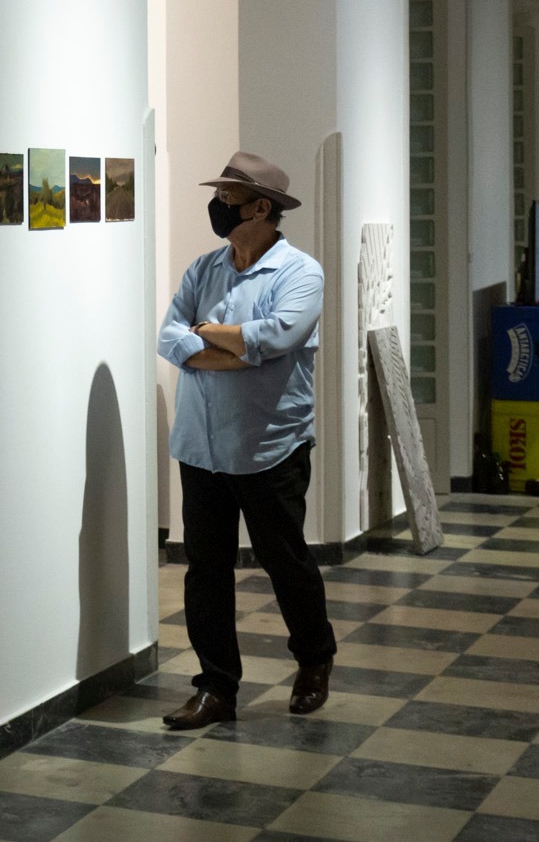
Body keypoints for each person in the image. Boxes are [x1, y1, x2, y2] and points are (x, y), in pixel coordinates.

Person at [156, 150, 335, 730]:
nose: (218, 206)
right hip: (200, 447)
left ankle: (313, 657)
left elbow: (278, 335)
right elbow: (169, 335)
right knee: (204, 570)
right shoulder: (203, 268)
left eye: (229, 199)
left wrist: (209, 339)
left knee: (285, 562)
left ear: (262, 208)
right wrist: (231, 348)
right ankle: (216, 688)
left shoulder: (300, 273)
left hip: (268, 447)